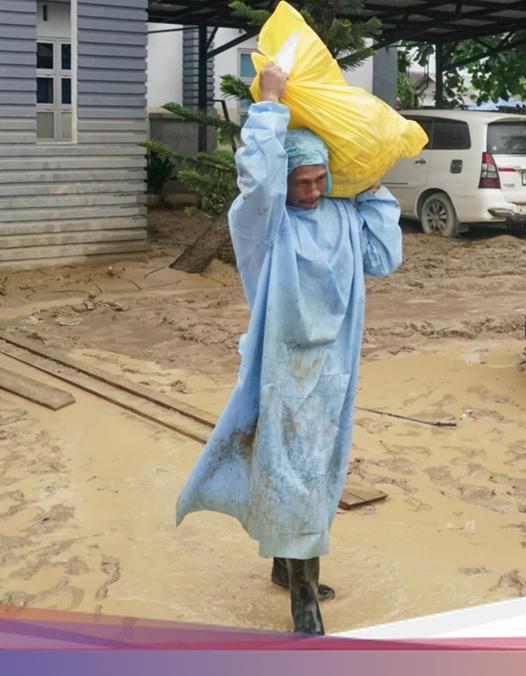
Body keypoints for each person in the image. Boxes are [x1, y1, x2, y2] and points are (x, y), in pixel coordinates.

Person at [175, 62, 403, 635]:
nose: (310, 191)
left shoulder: (343, 216)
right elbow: (258, 183)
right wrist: (270, 106)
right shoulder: (265, 227)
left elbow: (385, 260)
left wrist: (372, 187)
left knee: (316, 471)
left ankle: (284, 564)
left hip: (334, 373)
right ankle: (304, 596)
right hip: (280, 371)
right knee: (292, 470)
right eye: (300, 181)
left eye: (319, 180)